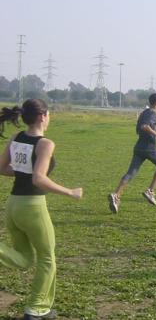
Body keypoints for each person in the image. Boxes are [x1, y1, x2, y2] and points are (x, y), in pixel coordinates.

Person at [0, 99, 83, 320]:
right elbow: (38, 179)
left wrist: (24, 172)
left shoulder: (16, 138)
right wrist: (70, 193)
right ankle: (35, 309)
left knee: (25, 259)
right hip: (32, 207)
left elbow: (3, 168)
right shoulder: (45, 143)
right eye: (49, 114)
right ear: (42, 116)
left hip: (13, 206)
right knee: (47, 259)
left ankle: (42, 307)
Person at [108, 93, 156, 213]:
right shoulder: (152, 113)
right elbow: (144, 126)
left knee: (130, 173)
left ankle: (116, 195)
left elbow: (140, 129)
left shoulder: (144, 112)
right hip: (149, 148)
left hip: (139, 147)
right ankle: (150, 192)